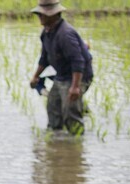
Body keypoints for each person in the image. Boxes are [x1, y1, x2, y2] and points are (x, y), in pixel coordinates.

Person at [28, 0, 93, 135]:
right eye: (38, 14)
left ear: (53, 15)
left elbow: (78, 61)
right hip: (62, 75)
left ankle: (76, 146)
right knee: (53, 108)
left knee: (71, 112)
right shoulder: (46, 33)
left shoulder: (65, 34)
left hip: (78, 76)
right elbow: (44, 58)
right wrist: (35, 76)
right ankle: (56, 142)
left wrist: (75, 87)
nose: (39, 16)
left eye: (42, 14)